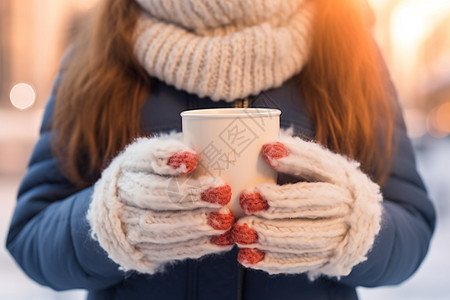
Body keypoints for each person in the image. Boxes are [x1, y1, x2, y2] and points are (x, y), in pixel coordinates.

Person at [6, 0, 435, 299]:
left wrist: (351, 226)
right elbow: (30, 236)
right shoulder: (95, 51)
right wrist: (109, 219)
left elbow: (411, 228)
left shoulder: (350, 46)